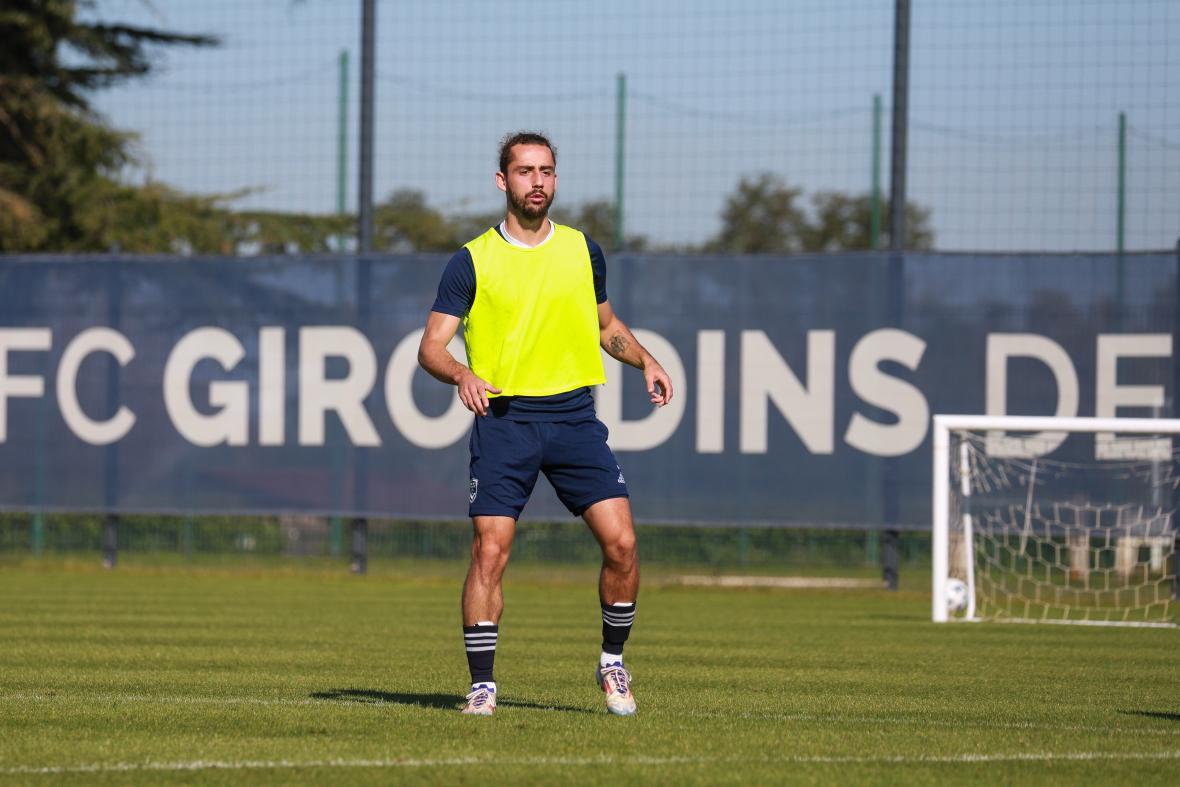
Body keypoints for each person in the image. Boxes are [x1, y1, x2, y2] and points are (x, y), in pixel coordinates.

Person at [417, 131, 673, 717]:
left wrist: (646, 358)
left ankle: (612, 662)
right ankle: (482, 685)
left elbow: (606, 327)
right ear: (502, 181)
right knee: (491, 550)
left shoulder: (583, 251)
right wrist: (461, 374)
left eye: (548, 171)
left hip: (574, 419)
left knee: (624, 545)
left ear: (556, 180)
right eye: (526, 171)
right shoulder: (472, 259)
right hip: (506, 419)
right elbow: (431, 347)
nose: (538, 181)